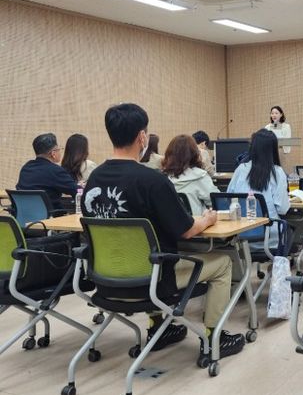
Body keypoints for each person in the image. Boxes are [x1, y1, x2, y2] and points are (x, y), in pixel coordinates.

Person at [82, 103, 245, 357]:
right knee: (223, 263)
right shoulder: (153, 181)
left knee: (150, 255)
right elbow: (186, 230)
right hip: (153, 282)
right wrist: (208, 220)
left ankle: (159, 327)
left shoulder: (94, 179)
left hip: (106, 281)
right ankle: (214, 338)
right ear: (142, 137)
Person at [227, 129, 290, 249]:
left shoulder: (241, 169)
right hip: (268, 238)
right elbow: (282, 209)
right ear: (273, 150)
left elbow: (229, 198)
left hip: (240, 237)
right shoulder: (277, 172)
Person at [16, 133, 78, 210]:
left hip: (24, 215)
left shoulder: (26, 167)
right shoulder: (55, 170)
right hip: (51, 216)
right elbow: (76, 191)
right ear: (53, 153)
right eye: (58, 149)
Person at [163, 135, 220, 215]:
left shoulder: (162, 178)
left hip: (169, 222)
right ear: (194, 153)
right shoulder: (200, 176)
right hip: (197, 221)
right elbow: (217, 201)